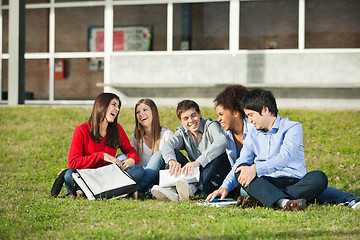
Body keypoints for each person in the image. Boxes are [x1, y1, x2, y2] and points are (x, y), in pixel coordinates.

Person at [206, 85, 360, 210]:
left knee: (319, 178)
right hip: (268, 182)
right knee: (244, 172)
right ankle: (285, 203)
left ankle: (266, 200)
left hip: (295, 181)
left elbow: (284, 158)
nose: (250, 120)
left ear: (265, 110)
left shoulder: (292, 128)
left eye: (251, 115)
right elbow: (241, 163)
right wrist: (225, 187)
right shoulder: (253, 135)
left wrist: (257, 169)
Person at [64, 93, 144, 198]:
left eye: (118, 106)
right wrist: (100, 156)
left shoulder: (117, 129)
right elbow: (73, 163)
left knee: (138, 170)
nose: (117, 109)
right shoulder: (82, 130)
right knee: (69, 174)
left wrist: (132, 159)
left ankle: (88, 192)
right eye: (114, 104)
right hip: (89, 175)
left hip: (108, 175)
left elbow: (130, 150)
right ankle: (120, 190)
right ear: (102, 106)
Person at [151, 100, 231, 202]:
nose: (191, 120)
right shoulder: (182, 132)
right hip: (196, 177)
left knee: (217, 154)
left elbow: (222, 141)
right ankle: (173, 189)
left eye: (193, 115)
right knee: (172, 154)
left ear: (199, 114)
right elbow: (168, 146)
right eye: (186, 118)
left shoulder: (210, 125)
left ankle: (192, 189)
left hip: (215, 179)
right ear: (181, 121)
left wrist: (198, 162)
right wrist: (171, 161)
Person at [131, 99, 173, 193]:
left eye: (145, 110)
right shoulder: (135, 137)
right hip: (143, 175)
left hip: (161, 176)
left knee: (159, 154)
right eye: (138, 112)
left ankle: (138, 189)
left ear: (153, 112)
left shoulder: (167, 134)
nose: (141, 114)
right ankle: (148, 189)